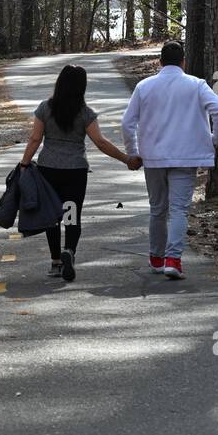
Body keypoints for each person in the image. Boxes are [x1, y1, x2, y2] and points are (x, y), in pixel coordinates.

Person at [19, 63, 141, 282]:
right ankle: (70, 251)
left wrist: (24, 164)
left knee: (52, 216)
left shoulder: (45, 108)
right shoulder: (86, 114)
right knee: (71, 214)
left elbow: (35, 138)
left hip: (48, 170)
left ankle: (56, 261)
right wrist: (126, 159)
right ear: (81, 87)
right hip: (75, 172)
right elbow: (101, 143)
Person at [121, 40, 218, 280]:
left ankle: (156, 258)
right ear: (183, 62)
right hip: (186, 155)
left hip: (153, 156)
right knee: (179, 209)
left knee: (158, 209)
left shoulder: (144, 86)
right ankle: (173, 259)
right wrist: (214, 139)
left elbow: (127, 123)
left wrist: (133, 151)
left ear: (159, 62)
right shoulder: (196, 85)